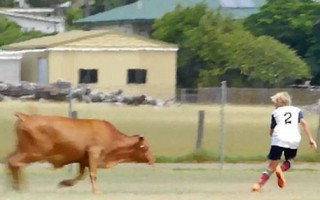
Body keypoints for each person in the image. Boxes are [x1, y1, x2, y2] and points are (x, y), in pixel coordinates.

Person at [252, 91, 317, 192]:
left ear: (279, 102)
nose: (273, 104)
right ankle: (281, 169)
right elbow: (303, 123)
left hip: (279, 137)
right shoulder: (297, 110)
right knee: (290, 159)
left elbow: (272, 130)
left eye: (274, 102)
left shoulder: (275, 112)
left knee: (271, 166)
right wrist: (310, 139)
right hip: (294, 138)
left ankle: (258, 185)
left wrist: (272, 137)